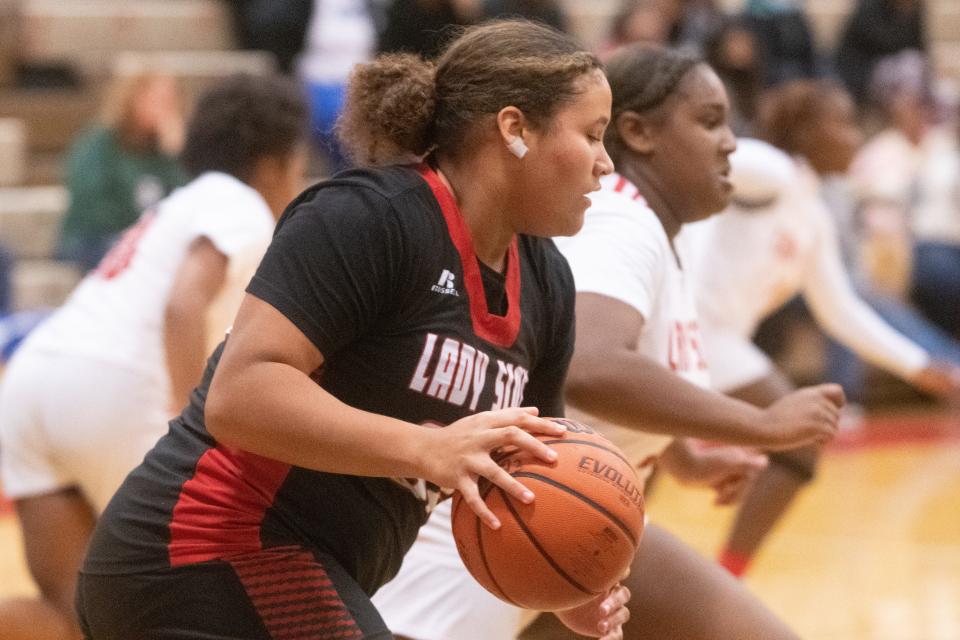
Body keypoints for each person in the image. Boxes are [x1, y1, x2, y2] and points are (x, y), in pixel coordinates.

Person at [74, 20, 632, 640]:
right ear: (514, 129)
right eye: (592, 134)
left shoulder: (548, 284)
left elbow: (529, 481)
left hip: (309, 564)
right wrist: (427, 449)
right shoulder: (371, 217)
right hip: (203, 546)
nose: (605, 164)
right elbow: (239, 394)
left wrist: (565, 575)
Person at [375, 44, 844, 640]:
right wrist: (762, 426)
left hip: (574, 516)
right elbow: (590, 366)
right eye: (709, 121)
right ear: (638, 133)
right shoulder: (623, 223)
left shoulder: (648, 231)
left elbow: (573, 363)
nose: (730, 142)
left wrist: (684, 458)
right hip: (499, 526)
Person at [0, 73, 310, 640]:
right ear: (274, 164)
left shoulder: (184, 199)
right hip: (114, 391)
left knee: (72, 617)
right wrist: (190, 429)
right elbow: (182, 306)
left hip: (33, 382)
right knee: (190, 603)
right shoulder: (242, 205)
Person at [700, 84, 960, 579]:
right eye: (841, 124)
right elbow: (714, 154)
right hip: (695, 336)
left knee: (638, 466)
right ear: (805, 133)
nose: (853, 136)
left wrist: (918, 366)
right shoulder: (771, 170)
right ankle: (718, 581)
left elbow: (840, 310)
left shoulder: (811, 213)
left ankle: (719, 579)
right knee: (797, 445)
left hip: (713, 349)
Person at [56, 71, 189, 272]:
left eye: (170, 100)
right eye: (157, 99)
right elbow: (90, 206)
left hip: (148, 241)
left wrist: (177, 155)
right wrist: (138, 232)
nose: (165, 108)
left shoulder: (169, 151)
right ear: (132, 100)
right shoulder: (100, 143)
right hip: (93, 239)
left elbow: (191, 202)